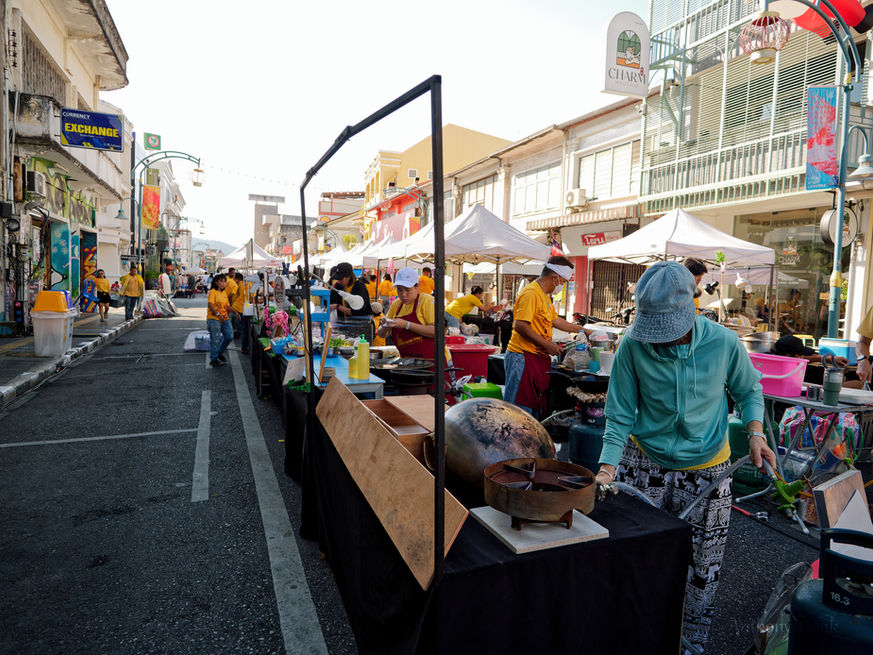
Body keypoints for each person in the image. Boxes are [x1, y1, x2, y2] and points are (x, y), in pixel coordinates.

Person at [594, 261, 776, 654]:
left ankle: (690, 644)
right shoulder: (632, 345)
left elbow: (749, 391)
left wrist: (756, 434)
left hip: (709, 469)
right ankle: (635, 635)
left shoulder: (724, 343)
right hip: (644, 464)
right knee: (638, 557)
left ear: (690, 309)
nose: (661, 341)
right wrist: (607, 469)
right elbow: (620, 413)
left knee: (701, 570)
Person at [503, 256, 590, 416]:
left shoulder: (543, 295)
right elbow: (520, 325)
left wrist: (583, 331)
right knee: (518, 413)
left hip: (535, 358)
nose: (562, 287)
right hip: (522, 357)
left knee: (531, 410)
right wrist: (547, 344)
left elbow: (555, 320)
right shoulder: (531, 293)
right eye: (563, 282)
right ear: (555, 278)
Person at [377, 267, 437, 359]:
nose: (403, 294)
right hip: (409, 363)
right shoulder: (396, 305)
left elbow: (436, 331)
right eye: (400, 290)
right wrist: (385, 326)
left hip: (433, 362)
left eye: (407, 290)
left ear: (417, 287)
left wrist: (406, 324)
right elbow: (382, 334)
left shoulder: (427, 301)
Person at [207, 274, 236, 367]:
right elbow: (210, 305)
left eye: (224, 281)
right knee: (215, 339)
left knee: (229, 336)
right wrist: (218, 315)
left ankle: (219, 352)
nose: (223, 283)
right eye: (221, 281)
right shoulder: (213, 292)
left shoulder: (224, 293)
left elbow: (227, 306)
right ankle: (213, 359)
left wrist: (235, 312)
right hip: (214, 318)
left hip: (225, 317)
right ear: (216, 282)